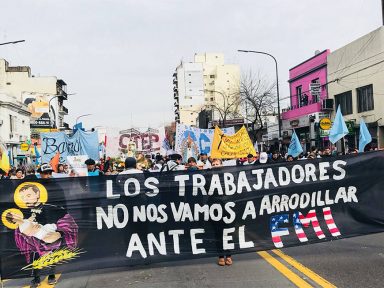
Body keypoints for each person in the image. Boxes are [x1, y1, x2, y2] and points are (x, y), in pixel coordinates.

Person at [14, 183, 78, 287]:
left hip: (49, 238)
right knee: (34, 256)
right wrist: (26, 231)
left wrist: (59, 233)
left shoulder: (51, 208)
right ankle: (36, 277)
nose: (26, 200)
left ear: (37, 194)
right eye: (22, 197)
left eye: (28, 195)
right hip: (33, 241)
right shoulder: (22, 212)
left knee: (51, 255)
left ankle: (51, 275)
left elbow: (67, 224)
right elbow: (19, 228)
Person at [210, 158, 232, 266]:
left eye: (217, 164)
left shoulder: (227, 177)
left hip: (227, 208)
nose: (215, 165)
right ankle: (221, 256)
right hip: (214, 208)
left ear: (222, 165)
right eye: (213, 164)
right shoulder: (208, 177)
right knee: (218, 233)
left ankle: (228, 255)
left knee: (228, 232)